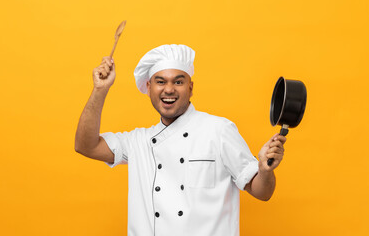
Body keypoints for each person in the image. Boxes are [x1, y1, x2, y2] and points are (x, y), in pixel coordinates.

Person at [75, 44, 286, 236]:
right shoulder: (138, 141)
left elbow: (262, 192)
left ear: (190, 88)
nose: (169, 89)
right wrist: (100, 90)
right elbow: (86, 146)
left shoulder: (218, 130)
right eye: (160, 81)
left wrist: (265, 170)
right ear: (148, 88)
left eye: (178, 81)